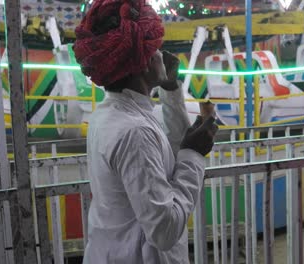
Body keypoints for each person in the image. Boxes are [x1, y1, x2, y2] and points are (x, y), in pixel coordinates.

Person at [73, 0, 218, 263]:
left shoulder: (114, 114)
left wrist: (170, 88)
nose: (164, 55)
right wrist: (194, 157)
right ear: (144, 63)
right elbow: (164, 230)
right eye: (156, 49)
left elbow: (171, 151)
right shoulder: (134, 132)